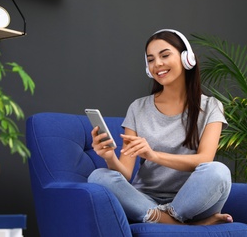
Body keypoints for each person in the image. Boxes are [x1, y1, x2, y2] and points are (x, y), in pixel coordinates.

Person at [88, 29, 233, 225]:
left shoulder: (210, 106)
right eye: (151, 59)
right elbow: (125, 173)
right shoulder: (138, 108)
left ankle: (169, 217)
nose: (157, 64)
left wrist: (153, 155)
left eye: (165, 55)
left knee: (218, 171)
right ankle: (179, 224)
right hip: (145, 201)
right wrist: (109, 157)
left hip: (193, 202)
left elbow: (204, 159)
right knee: (99, 176)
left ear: (187, 58)